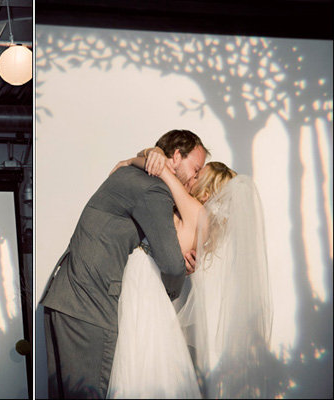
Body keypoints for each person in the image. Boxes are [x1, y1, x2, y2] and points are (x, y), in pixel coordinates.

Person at [39, 129, 208, 398]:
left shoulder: (129, 174)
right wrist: (179, 279)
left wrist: (139, 156)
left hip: (67, 301)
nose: (196, 178)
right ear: (176, 156)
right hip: (89, 309)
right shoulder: (154, 189)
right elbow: (172, 264)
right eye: (196, 169)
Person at [109, 149, 273, 398]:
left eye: (198, 175)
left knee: (136, 358)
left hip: (142, 281)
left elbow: (162, 170)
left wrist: (130, 160)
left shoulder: (194, 209)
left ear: (206, 191)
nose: (191, 179)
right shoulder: (208, 223)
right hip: (154, 287)